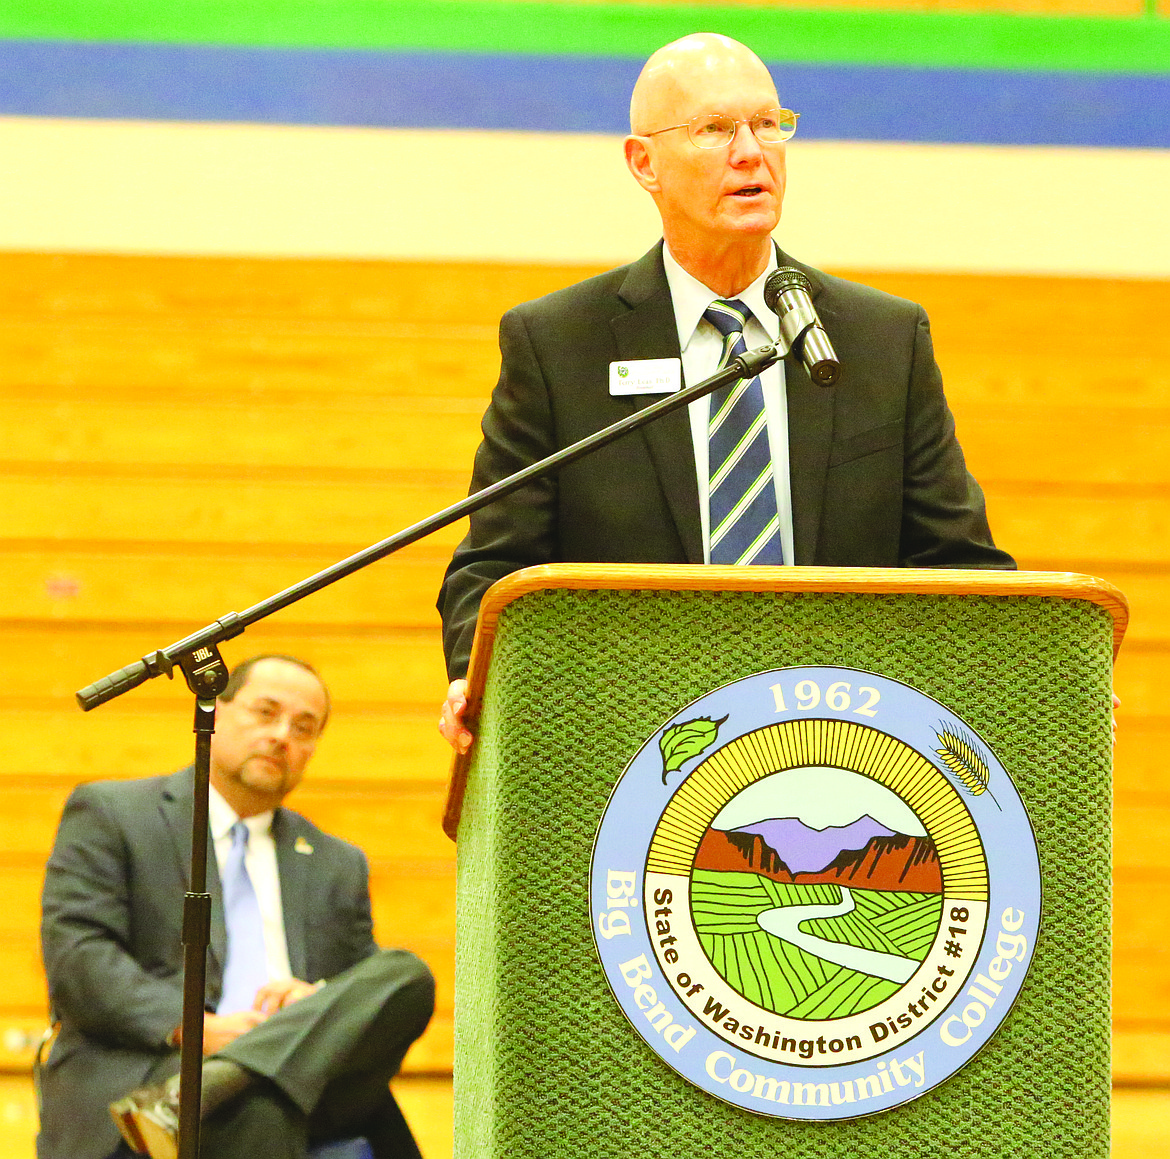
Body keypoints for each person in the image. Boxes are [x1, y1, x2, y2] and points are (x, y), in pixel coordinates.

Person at [436, 32, 1013, 751]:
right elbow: (493, 565)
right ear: (643, 163)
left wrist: (1039, 673)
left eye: (768, 125)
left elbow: (960, 565)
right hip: (624, 749)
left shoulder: (880, 339)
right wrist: (475, 671)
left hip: (845, 748)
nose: (751, 151)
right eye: (714, 130)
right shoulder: (560, 345)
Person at [39, 655, 434, 1159]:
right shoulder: (115, 815)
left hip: (301, 1080)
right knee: (261, 1108)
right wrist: (197, 1029)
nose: (282, 736)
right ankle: (220, 1086)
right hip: (152, 1067)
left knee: (405, 975)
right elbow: (79, 959)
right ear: (216, 713)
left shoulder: (338, 862)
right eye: (265, 713)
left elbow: (361, 1002)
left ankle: (212, 1088)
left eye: (303, 727)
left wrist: (315, 997)